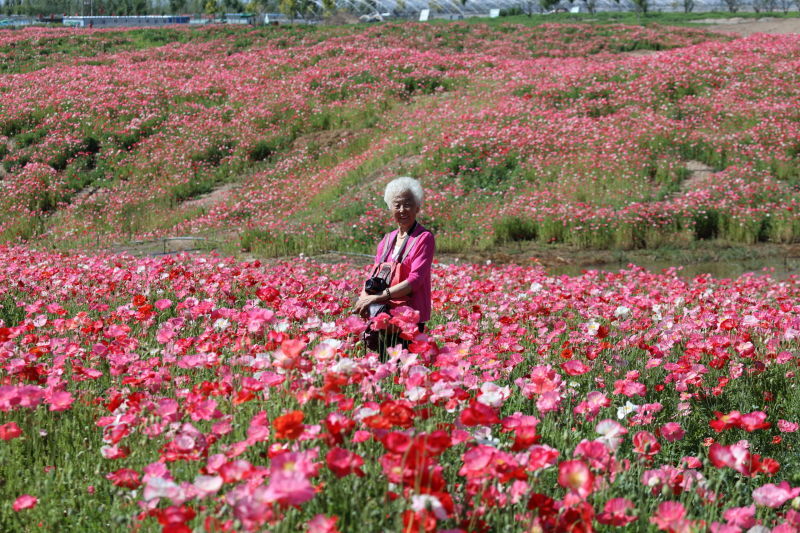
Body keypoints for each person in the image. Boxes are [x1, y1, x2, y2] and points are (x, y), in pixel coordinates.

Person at [354, 177, 435, 356]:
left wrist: (377, 297)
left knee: (403, 368)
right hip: (384, 314)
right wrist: (363, 298)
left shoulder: (424, 238)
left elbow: (416, 280)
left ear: (417, 207)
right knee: (385, 364)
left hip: (410, 316)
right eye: (397, 205)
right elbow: (373, 276)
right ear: (390, 209)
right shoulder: (386, 240)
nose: (402, 210)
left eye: (407, 204)